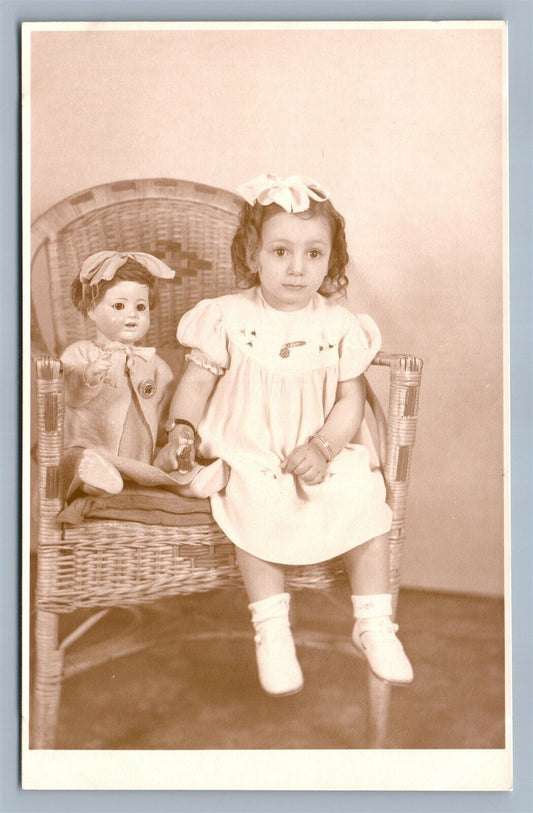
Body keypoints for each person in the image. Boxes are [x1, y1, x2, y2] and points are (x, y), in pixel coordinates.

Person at [155, 174, 413, 695]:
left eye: (314, 254)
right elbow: (196, 384)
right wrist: (181, 429)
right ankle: (272, 631)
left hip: (313, 446)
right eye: (281, 251)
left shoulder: (339, 325)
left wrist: (323, 447)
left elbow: (350, 401)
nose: (298, 268)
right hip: (245, 446)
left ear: (330, 260)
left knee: (363, 490)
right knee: (253, 490)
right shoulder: (227, 316)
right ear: (253, 256)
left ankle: (374, 623)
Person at [61, 250, 228, 500]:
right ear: (91, 310)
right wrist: (89, 376)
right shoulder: (81, 354)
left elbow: (168, 412)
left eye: (141, 306)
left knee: (160, 469)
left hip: (141, 457)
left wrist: (174, 441)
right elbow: (65, 391)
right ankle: (96, 476)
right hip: (95, 449)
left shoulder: (154, 365)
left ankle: (193, 481)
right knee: (79, 460)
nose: (132, 315)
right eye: (119, 305)